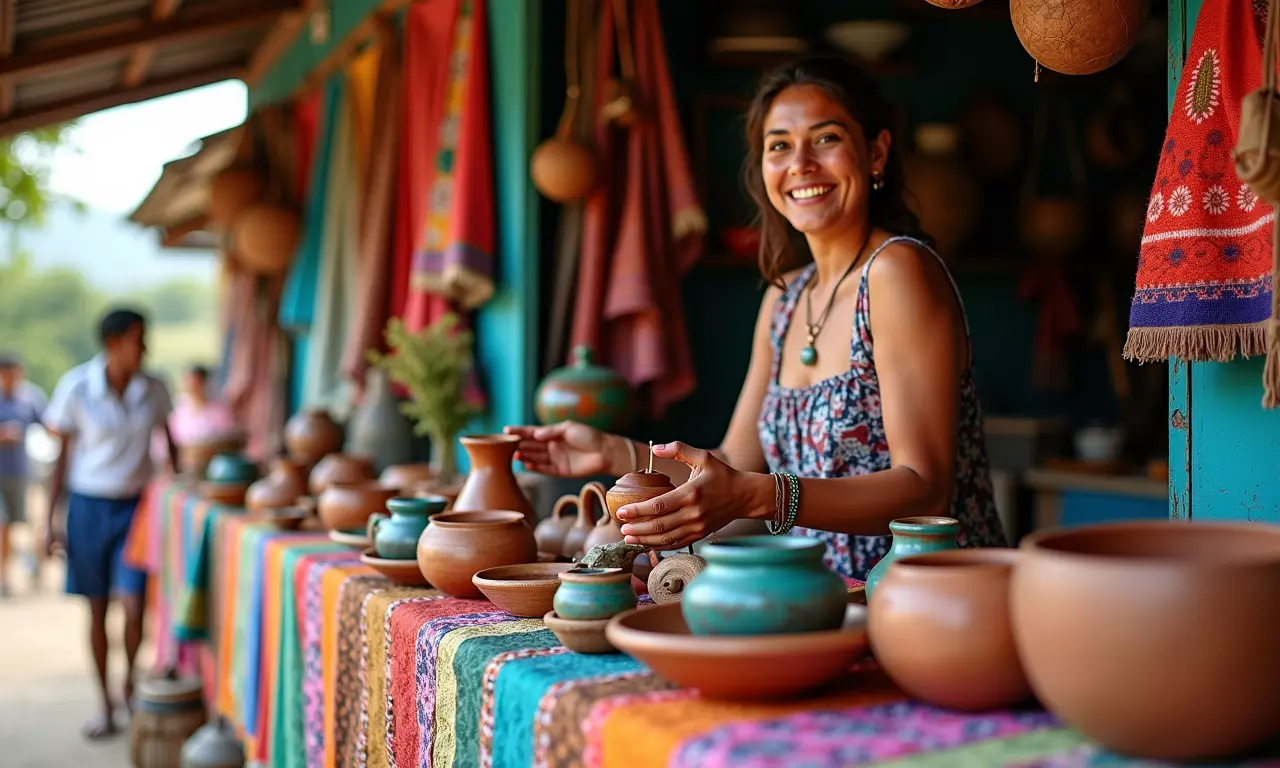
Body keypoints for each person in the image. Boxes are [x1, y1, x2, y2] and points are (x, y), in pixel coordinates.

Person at [507, 56, 1007, 579]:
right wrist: (613, 451)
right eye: (779, 146)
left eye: (827, 138)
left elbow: (924, 487)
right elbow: (736, 463)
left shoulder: (898, 271)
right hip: (826, 600)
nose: (801, 164)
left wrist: (762, 497)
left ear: (875, 152)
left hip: (929, 598)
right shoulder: (784, 300)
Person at [43, 307, 178, 740]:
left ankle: (130, 684)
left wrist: (177, 493)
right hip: (87, 509)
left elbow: (169, 445)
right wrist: (51, 520)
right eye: (138, 339)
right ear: (114, 343)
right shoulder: (76, 387)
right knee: (97, 608)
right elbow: (61, 458)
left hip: (137, 512)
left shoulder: (155, 389)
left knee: (135, 605)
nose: (145, 348)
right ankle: (105, 703)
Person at [0, 353, 48, 596]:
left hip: (21, 473)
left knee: (24, 523)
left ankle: (36, 569)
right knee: (2, 524)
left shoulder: (31, 398)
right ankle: (4, 577)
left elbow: (49, 426)